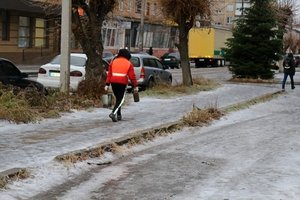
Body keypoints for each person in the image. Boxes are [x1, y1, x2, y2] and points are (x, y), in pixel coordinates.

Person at [105, 48, 138, 122]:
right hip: (122, 83)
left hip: (113, 82)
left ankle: (119, 115)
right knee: (121, 99)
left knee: (118, 99)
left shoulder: (113, 61)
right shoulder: (128, 63)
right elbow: (132, 76)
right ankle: (113, 113)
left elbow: (109, 74)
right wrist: (135, 86)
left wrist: (107, 84)